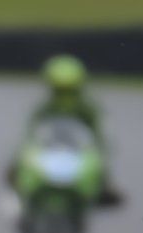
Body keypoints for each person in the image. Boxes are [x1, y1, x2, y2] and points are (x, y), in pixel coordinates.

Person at [7, 54, 124, 207]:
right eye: (60, 90)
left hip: (77, 150)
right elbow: (30, 135)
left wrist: (100, 149)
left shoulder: (87, 109)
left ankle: (103, 186)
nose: (64, 96)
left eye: (68, 90)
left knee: (99, 162)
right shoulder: (45, 108)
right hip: (49, 148)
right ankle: (22, 187)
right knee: (20, 164)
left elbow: (100, 135)